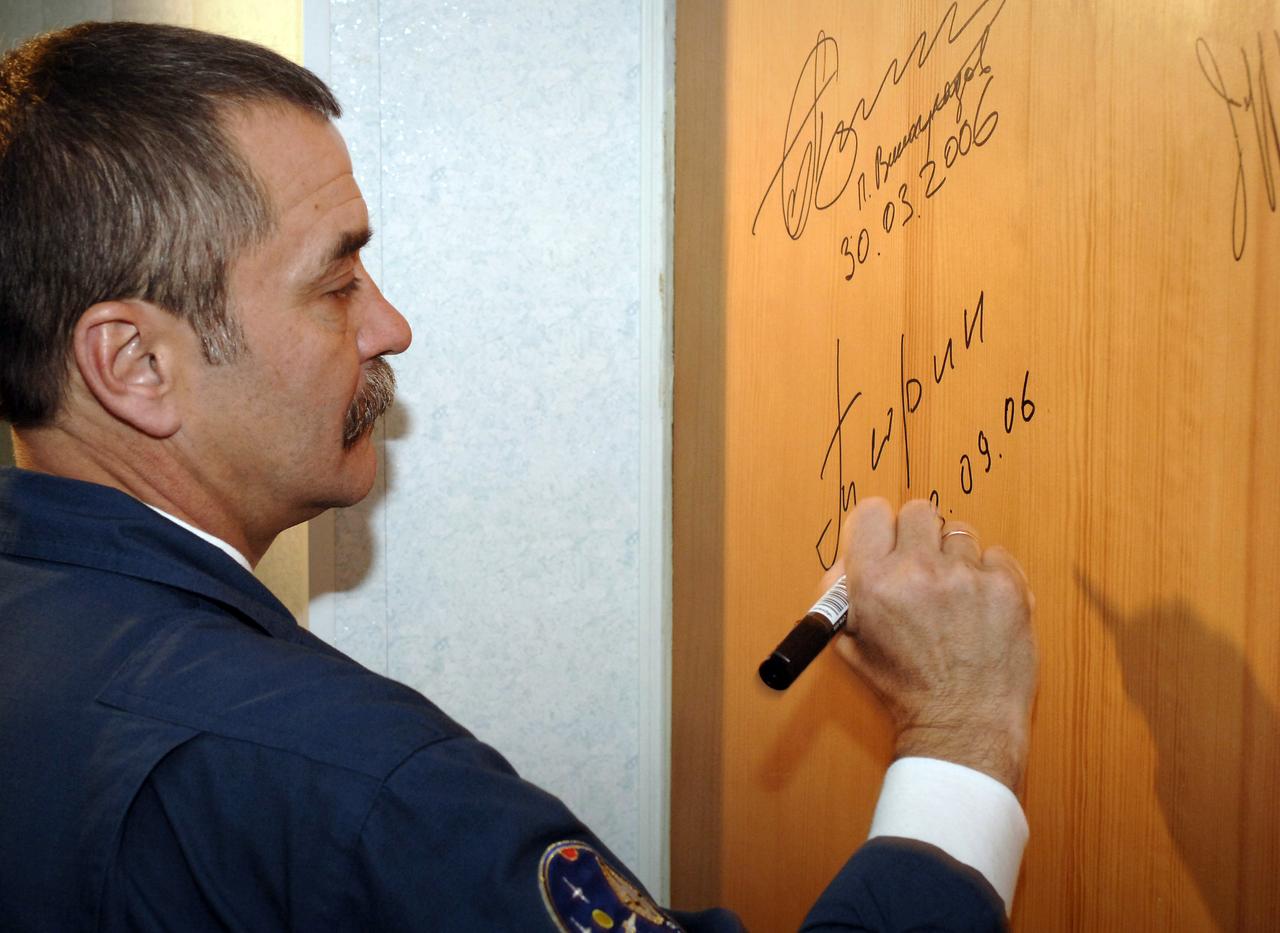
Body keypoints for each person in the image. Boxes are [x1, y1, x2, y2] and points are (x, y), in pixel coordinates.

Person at [0, 22, 1037, 932]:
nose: (389, 326)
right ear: (135, 365)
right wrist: (960, 731)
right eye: (335, 282)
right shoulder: (345, 778)